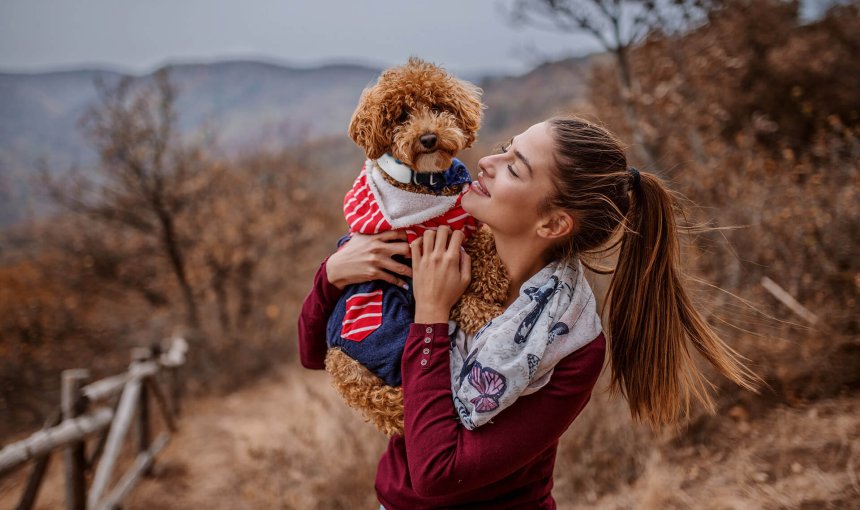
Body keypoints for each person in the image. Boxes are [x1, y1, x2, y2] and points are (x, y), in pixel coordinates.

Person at [298, 116, 758, 509]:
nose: (485, 162)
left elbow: (438, 472)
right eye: (504, 149)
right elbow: (317, 353)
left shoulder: (572, 343)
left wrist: (432, 314)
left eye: (514, 168)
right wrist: (332, 275)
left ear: (553, 223)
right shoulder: (443, 249)